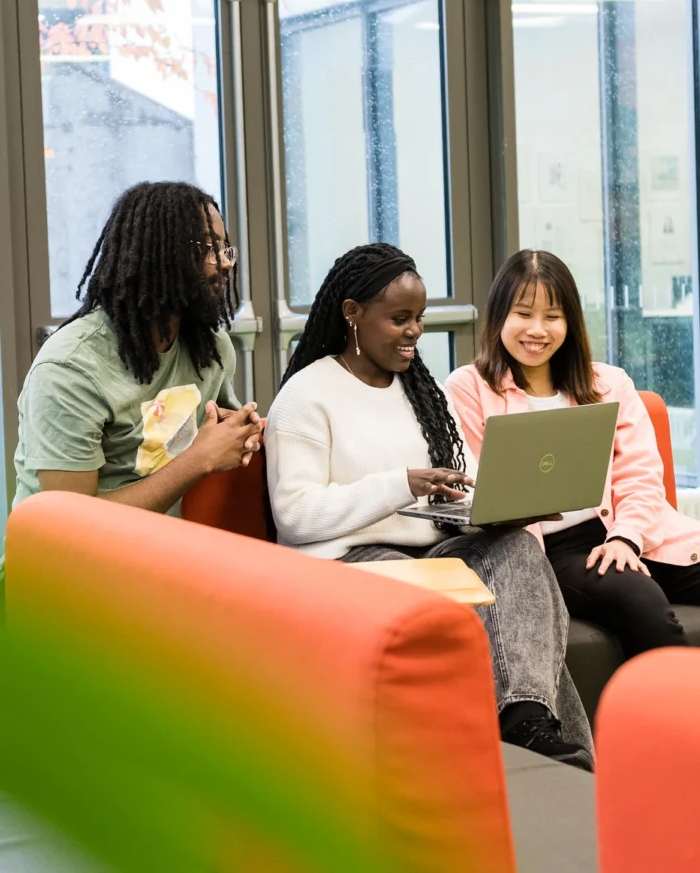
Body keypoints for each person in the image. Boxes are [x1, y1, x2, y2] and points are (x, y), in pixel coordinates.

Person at [265, 242, 593, 769]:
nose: (414, 331)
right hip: (346, 560)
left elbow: (452, 480)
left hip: (432, 546)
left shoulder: (419, 390)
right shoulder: (307, 396)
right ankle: (538, 743)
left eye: (418, 318)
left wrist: (497, 504)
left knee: (518, 551)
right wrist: (403, 483)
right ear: (352, 314)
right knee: (453, 602)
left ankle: (526, 718)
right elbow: (296, 516)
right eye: (399, 319)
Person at [446, 248, 700, 659]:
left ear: (570, 321)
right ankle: (678, 721)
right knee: (640, 602)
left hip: (632, 530)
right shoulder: (469, 388)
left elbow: (641, 475)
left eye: (553, 316)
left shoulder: (610, 383)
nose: (538, 329)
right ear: (499, 316)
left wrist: (625, 539)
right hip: (552, 549)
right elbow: (481, 491)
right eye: (523, 313)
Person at [13, 180, 261, 517]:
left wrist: (242, 432)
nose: (225, 263)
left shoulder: (210, 348)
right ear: (158, 253)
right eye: (208, 247)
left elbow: (218, 432)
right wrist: (198, 459)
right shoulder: (69, 369)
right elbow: (69, 525)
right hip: (62, 566)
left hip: (158, 555)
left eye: (225, 249)